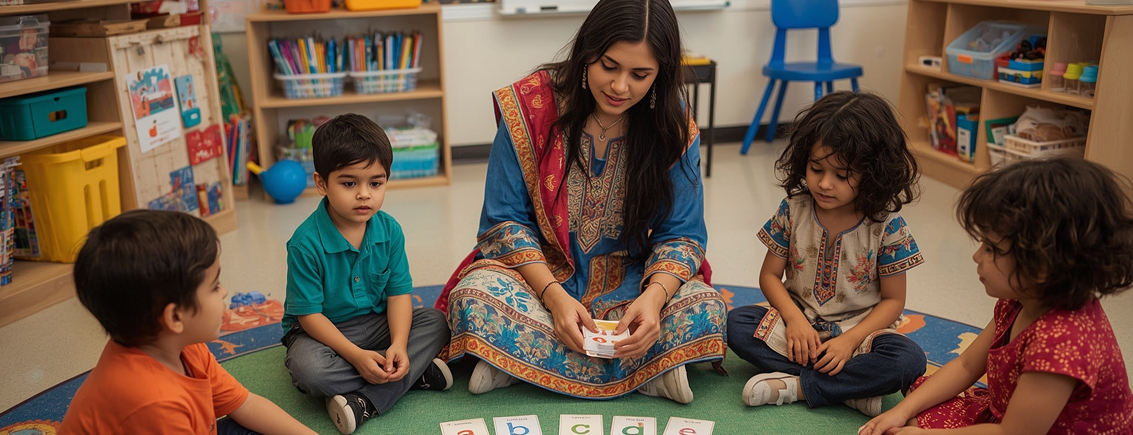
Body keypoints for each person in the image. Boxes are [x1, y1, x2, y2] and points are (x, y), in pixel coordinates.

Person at [433, 0, 726, 404]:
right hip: (539, 277)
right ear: (587, 51)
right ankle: (649, 373)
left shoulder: (672, 123)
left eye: (640, 75)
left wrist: (654, 300)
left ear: (661, 74)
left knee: (707, 309)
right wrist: (554, 299)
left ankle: (515, 368)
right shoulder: (530, 105)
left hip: (630, 283)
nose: (621, 87)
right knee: (475, 298)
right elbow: (503, 223)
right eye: (609, 66)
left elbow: (683, 235)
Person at [860, 157, 1133, 434]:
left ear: (1041, 266)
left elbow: (1012, 433)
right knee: (913, 414)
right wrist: (901, 411)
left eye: (991, 248)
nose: (977, 256)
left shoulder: (1063, 341)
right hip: (1008, 418)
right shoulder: (1021, 298)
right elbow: (966, 366)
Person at [727, 91, 928, 417]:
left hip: (860, 337)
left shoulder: (888, 227)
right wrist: (793, 320)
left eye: (842, 175)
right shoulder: (793, 209)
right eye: (816, 168)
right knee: (736, 323)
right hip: (798, 328)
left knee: (908, 360)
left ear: (873, 172)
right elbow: (769, 276)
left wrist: (849, 342)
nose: (824, 184)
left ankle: (799, 386)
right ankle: (849, 391)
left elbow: (894, 302)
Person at [60, 210, 317, 435]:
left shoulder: (180, 345)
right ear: (174, 317)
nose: (225, 291)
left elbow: (246, 405)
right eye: (214, 286)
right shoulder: (154, 403)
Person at [281, 114, 452, 435]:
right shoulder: (305, 243)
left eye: (375, 183)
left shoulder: (389, 230)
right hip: (321, 333)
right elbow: (308, 317)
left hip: (375, 325)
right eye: (349, 184)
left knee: (436, 322)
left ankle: (367, 398)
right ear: (321, 184)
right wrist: (357, 357)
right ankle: (411, 375)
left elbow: (399, 294)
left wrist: (399, 343)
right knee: (310, 370)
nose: (364, 194)